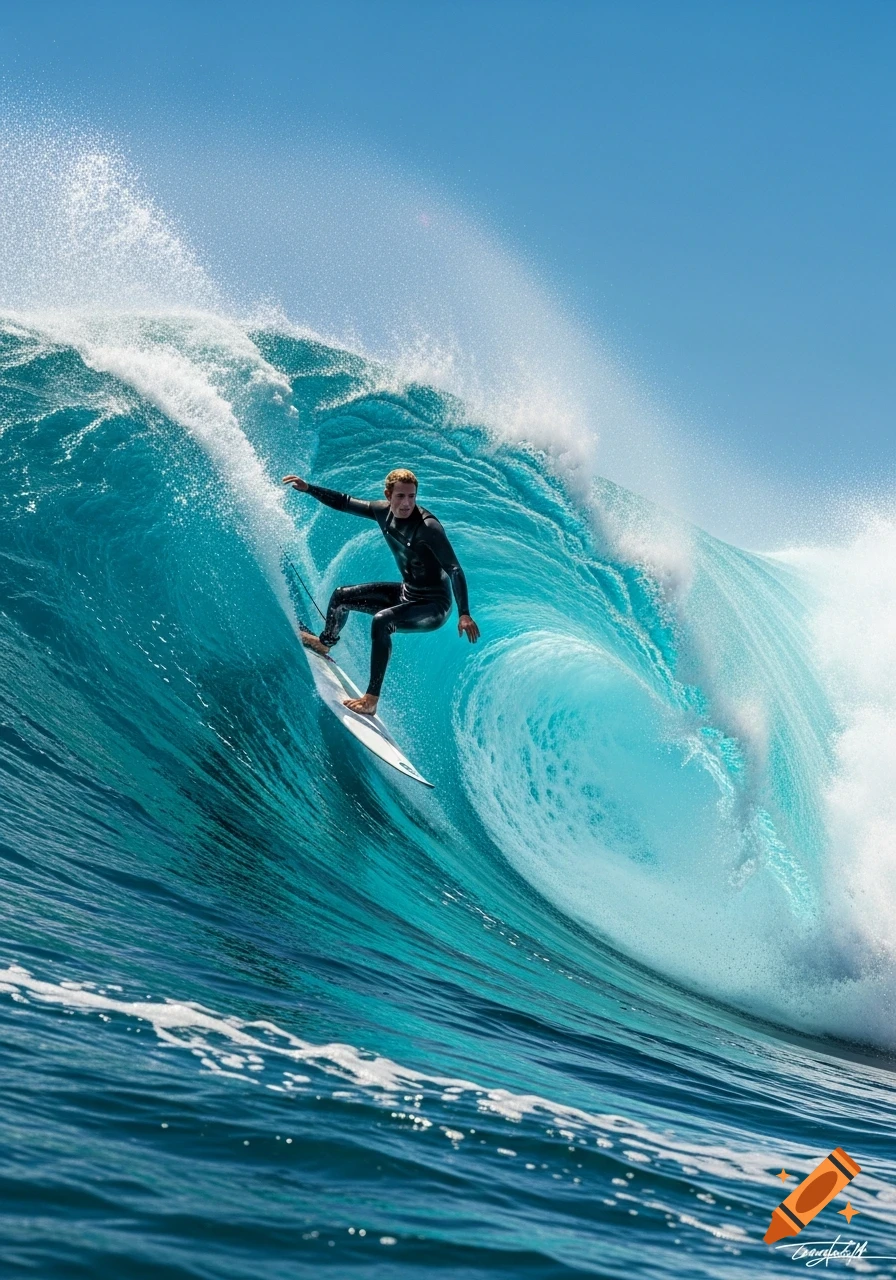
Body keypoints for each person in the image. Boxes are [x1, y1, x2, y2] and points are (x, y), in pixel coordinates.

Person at [282, 468, 480, 715]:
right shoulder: (381, 511)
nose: (407, 503)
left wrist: (464, 613)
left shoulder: (428, 528)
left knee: (382, 621)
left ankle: (371, 700)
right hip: (408, 593)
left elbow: (454, 569)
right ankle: (325, 643)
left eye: (412, 496)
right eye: (400, 496)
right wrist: (309, 488)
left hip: (433, 606)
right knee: (341, 597)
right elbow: (344, 502)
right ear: (388, 495)